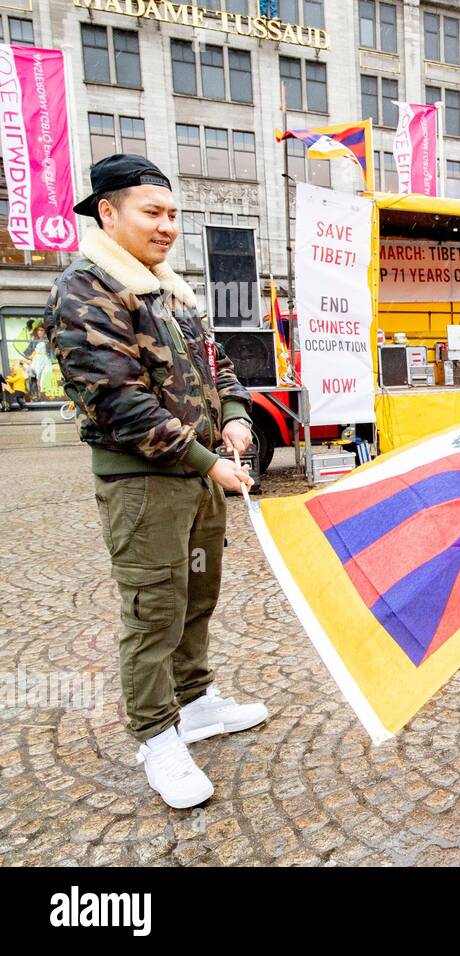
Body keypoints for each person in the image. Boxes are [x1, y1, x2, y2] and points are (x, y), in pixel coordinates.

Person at [49, 154, 268, 810]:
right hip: (145, 484)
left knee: (197, 594)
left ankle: (195, 701)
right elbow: (117, 403)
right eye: (153, 212)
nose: (167, 225)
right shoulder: (86, 289)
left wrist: (233, 416)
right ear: (108, 213)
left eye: (173, 213)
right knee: (153, 610)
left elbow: (216, 362)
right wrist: (209, 463)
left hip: (197, 479)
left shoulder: (170, 288)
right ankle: (155, 734)